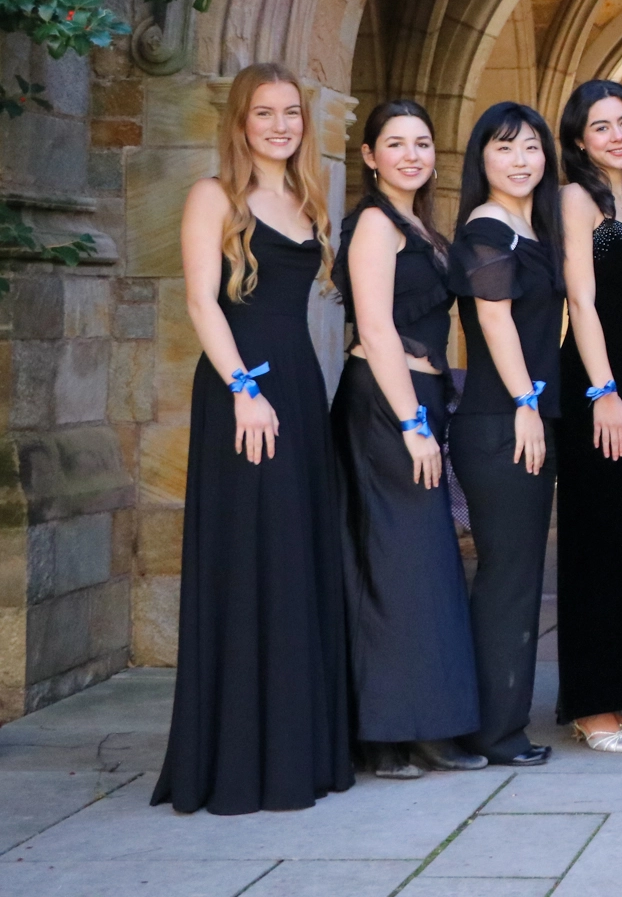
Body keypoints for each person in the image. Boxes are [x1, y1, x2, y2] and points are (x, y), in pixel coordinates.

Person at [154, 63, 351, 814]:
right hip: (244, 389)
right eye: (264, 112)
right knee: (249, 557)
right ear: (239, 120)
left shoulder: (308, 196)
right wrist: (243, 391)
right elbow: (203, 304)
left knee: (297, 555)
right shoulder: (215, 195)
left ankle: (296, 748)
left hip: (298, 389)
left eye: (291, 111)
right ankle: (237, 759)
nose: (279, 124)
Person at [333, 100, 484, 779]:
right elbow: (375, 327)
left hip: (418, 397)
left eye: (422, 142)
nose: (411, 154)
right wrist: (413, 423)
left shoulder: (420, 225)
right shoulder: (373, 223)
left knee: (423, 565)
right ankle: (387, 732)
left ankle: (428, 724)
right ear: (369, 156)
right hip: (385, 405)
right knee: (395, 565)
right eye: (395, 144)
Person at [447, 101, 566, 768]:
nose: (521, 160)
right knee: (506, 578)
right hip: (502, 420)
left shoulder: (530, 227)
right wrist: (527, 401)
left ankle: (500, 723)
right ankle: (493, 732)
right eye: (504, 148)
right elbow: (494, 322)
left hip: (523, 416)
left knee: (514, 575)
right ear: (481, 159)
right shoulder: (488, 227)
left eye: (531, 148)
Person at [554, 80, 622, 754]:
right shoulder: (577, 198)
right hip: (598, 384)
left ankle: (618, 690)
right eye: (602, 126)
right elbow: (583, 302)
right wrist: (603, 391)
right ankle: (592, 708)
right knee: (596, 540)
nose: (619, 135)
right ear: (579, 140)